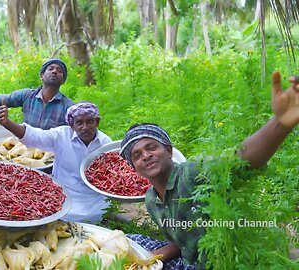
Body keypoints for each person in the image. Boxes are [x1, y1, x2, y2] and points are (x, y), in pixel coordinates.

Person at [119, 71, 299, 268]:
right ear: (134, 168)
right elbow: (181, 243)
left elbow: (241, 160)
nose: (145, 155)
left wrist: (280, 123)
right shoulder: (151, 201)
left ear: (169, 151)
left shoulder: (192, 174)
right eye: (137, 155)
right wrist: (145, 259)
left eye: (152, 147)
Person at [0, 101, 112, 222]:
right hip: (64, 194)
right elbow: (35, 136)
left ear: (97, 122)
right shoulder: (61, 135)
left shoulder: (105, 143)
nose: (85, 127)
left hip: (94, 200)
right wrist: (7, 123)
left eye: (89, 122)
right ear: (72, 125)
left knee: (97, 215)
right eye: (79, 122)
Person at [0, 58, 74, 130]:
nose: (54, 71)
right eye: (50, 69)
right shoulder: (27, 95)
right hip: (25, 151)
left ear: (63, 80)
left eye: (59, 71)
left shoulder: (68, 107)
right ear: (41, 76)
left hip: (52, 153)